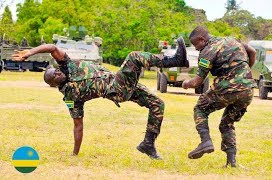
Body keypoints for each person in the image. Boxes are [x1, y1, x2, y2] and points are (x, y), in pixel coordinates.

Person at [12, 37, 189, 160]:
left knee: (157, 103)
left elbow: (52, 48)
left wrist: (30, 53)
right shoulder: (70, 96)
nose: (57, 73)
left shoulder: (68, 65)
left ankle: (148, 144)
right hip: (116, 89)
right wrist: (75, 153)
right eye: (54, 76)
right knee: (134, 57)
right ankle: (173, 61)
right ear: (53, 84)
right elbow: (78, 125)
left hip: (120, 81)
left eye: (56, 70)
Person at [182, 26, 256, 167]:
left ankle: (205, 142)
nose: (196, 49)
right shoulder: (232, 40)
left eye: (195, 45)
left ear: (201, 40)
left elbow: (198, 81)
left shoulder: (207, 51)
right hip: (247, 89)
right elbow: (253, 51)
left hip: (228, 88)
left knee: (200, 109)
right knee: (226, 124)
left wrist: (186, 83)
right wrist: (245, 72)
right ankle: (231, 163)